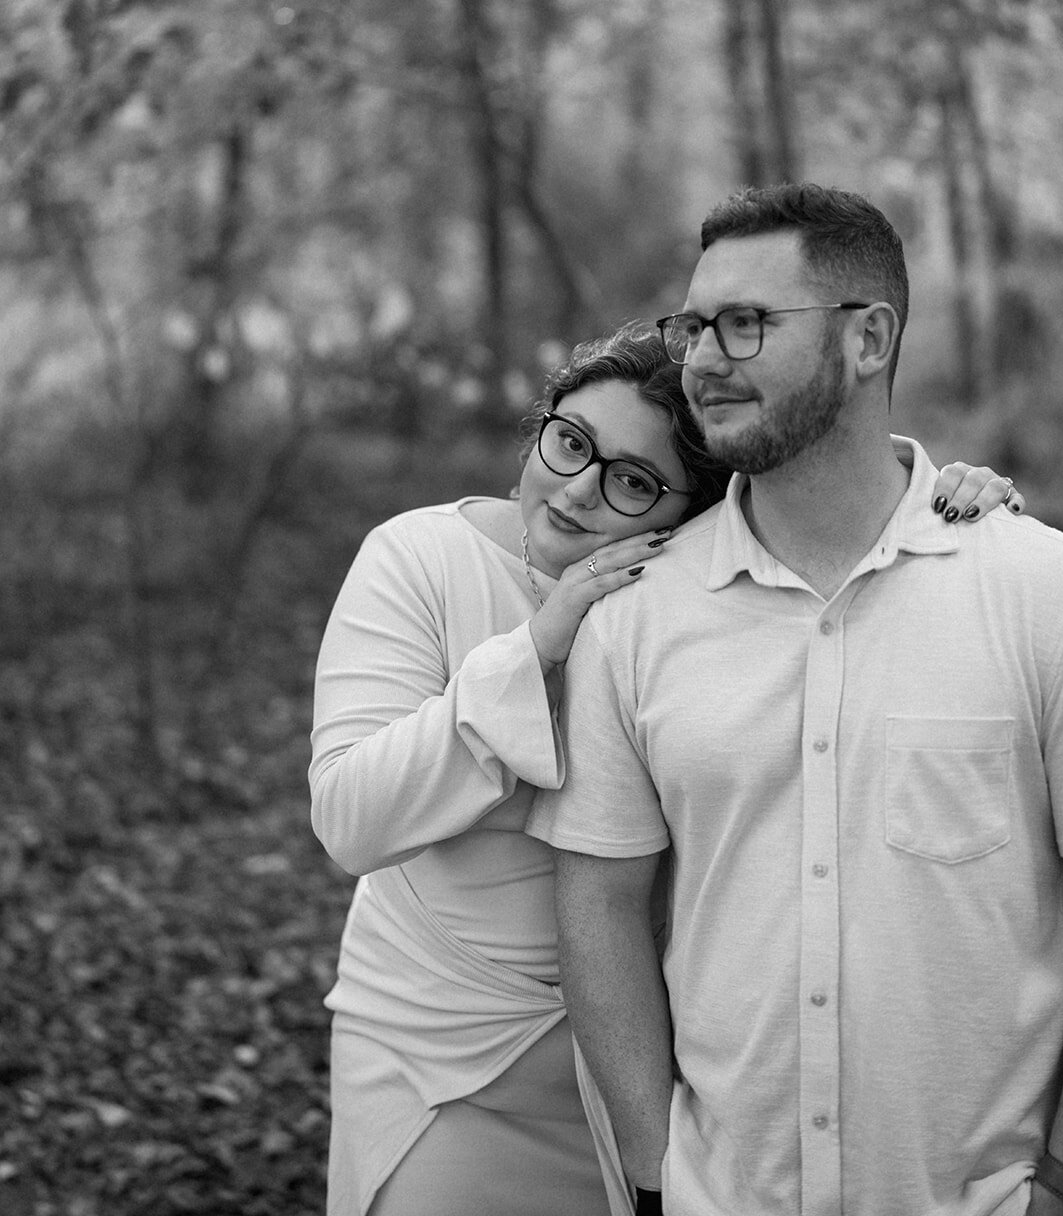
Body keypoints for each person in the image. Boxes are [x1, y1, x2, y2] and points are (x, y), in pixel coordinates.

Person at [310, 319, 1021, 1216]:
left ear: (695, 515)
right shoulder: (420, 557)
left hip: (649, 1053)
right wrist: (535, 647)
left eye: (632, 482)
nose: (576, 492)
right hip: (438, 1044)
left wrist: (948, 509)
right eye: (569, 442)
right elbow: (349, 819)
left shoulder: (697, 600)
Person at [528, 185, 1063, 1216]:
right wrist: (657, 1175)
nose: (701, 357)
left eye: (746, 323)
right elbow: (596, 906)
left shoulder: (1036, 593)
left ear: (867, 339)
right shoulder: (637, 616)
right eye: (692, 325)